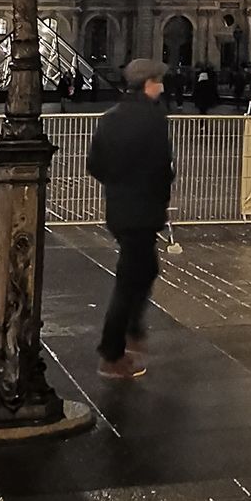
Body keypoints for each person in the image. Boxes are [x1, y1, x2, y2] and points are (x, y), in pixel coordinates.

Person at [86, 65, 175, 380]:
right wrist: (156, 192)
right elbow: (164, 166)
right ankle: (112, 353)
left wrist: (118, 184)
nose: (161, 88)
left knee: (146, 268)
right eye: (158, 82)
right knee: (129, 279)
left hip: (120, 207)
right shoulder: (154, 119)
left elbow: (95, 164)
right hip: (144, 208)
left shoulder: (110, 117)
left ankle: (134, 330)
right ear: (147, 84)